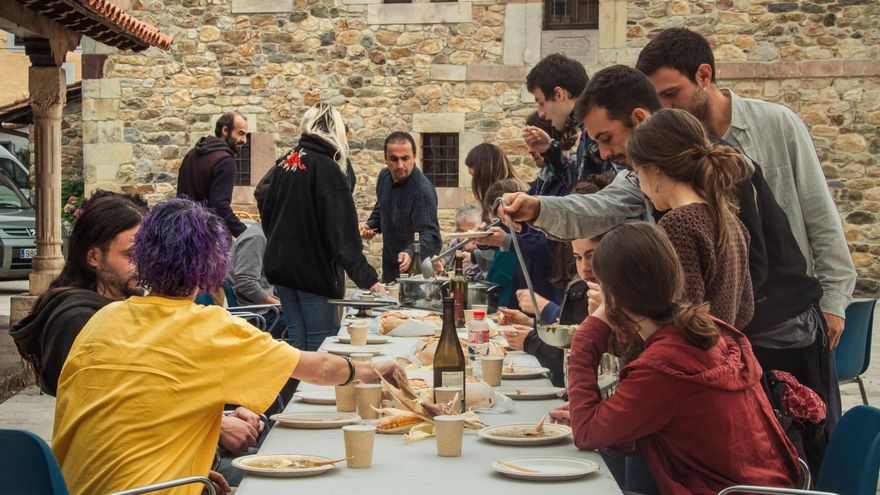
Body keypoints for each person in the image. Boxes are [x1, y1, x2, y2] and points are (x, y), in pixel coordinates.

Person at [502, 66, 837, 437]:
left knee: (793, 444)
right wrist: (538, 209)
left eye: (606, 138)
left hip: (776, 342)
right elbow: (599, 209)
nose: (604, 152)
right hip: (732, 363)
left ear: (641, 127)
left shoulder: (685, 217)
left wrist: (617, 345)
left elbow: (682, 329)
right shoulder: (702, 199)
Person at [51, 198, 400, 495]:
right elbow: (322, 370)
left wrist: (194, 467)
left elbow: (138, 410)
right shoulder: (209, 327)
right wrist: (373, 368)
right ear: (211, 264)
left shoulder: (104, 319)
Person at [636, 28, 852, 428]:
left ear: (704, 75)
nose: (665, 107)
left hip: (790, 319)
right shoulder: (674, 145)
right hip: (742, 328)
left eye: (671, 94)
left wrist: (835, 300)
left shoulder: (777, 123)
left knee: (802, 435)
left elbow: (820, 213)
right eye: (658, 99)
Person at [567, 222, 800, 495]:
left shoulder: (663, 364)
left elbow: (585, 434)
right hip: (767, 485)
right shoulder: (709, 331)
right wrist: (607, 415)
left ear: (614, 293)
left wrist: (590, 330)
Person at [259, 103, 384, 351]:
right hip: (313, 272)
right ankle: (311, 391)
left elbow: (262, 194)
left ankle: (293, 391)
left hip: (282, 268)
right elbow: (342, 234)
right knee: (320, 344)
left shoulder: (288, 161)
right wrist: (369, 279)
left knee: (296, 343)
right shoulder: (327, 168)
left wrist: (278, 234)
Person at [10, 191, 148, 396]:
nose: (143, 264)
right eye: (131, 255)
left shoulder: (119, 305)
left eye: (146, 252)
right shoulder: (77, 320)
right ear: (94, 256)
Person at [627, 108, 754, 330]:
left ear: (654, 170)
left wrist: (621, 321)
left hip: (688, 362)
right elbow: (745, 311)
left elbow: (681, 323)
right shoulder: (730, 220)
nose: (640, 184)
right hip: (722, 356)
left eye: (636, 172)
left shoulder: (679, 224)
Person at [521, 54, 614, 194]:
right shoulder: (586, 132)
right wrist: (549, 150)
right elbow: (577, 183)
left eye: (541, 103)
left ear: (559, 94)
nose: (541, 113)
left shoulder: (598, 131)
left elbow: (611, 198)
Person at [360, 131, 441, 282]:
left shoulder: (422, 191)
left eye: (405, 158)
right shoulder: (384, 177)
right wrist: (370, 226)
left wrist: (411, 252)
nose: (400, 165)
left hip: (416, 274)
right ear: (385, 159)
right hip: (389, 269)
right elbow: (381, 208)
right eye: (394, 159)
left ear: (414, 157)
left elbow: (432, 237)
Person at [178, 112, 249, 237]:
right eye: (240, 133)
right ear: (225, 130)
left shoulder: (191, 154)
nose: (244, 140)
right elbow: (219, 206)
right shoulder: (225, 161)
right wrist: (245, 233)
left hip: (183, 233)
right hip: (208, 239)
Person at [226, 219, 286, 337]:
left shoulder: (269, 234)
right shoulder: (257, 238)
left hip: (266, 310)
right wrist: (280, 305)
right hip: (257, 316)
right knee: (315, 327)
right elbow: (245, 283)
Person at [434, 204, 485, 280]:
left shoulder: (485, 248)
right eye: (460, 231)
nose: (463, 238)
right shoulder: (454, 243)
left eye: (469, 232)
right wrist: (440, 265)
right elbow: (444, 264)